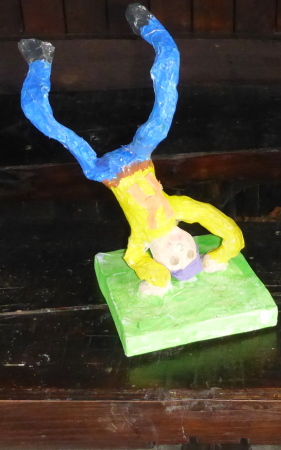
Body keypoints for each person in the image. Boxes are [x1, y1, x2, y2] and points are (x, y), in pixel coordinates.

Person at [19, 3, 243, 292]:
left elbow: (135, 259)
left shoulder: (141, 239)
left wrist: (159, 280)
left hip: (104, 173)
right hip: (140, 157)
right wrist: (223, 253)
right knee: (165, 103)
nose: (180, 248)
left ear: (158, 259)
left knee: (48, 124)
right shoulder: (178, 209)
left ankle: (39, 60)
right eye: (190, 252)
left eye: (175, 260)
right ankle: (148, 24)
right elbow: (223, 225)